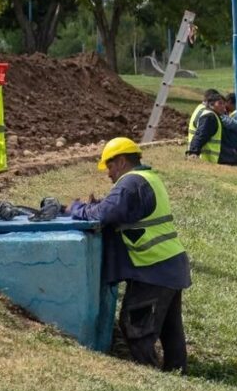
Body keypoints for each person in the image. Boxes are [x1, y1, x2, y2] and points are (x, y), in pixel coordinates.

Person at [69, 138, 190, 372]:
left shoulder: (131, 183)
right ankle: (177, 371)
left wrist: (76, 209)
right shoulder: (148, 179)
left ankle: (149, 374)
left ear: (122, 161)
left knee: (136, 327)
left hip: (154, 268)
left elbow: (102, 215)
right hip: (169, 264)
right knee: (170, 329)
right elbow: (119, 209)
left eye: (109, 166)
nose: (107, 173)